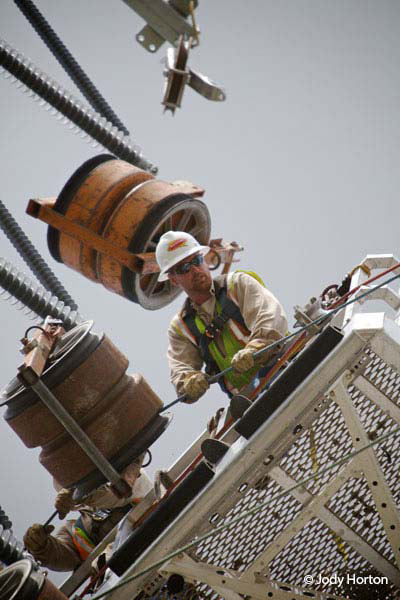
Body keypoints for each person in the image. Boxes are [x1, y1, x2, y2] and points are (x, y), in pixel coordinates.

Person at [156, 231, 288, 402]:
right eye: (184, 268)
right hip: (250, 400)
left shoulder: (238, 284)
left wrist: (256, 347)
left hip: (283, 369)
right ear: (173, 280)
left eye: (196, 260)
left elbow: (270, 317)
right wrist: (189, 383)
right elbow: (181, 371)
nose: (195, 270)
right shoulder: (182, 327)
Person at [23, 462, 152, 572]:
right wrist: (41, 547)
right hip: (118, 577)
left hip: (149, 550)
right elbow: (66, 557)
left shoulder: (133, 476)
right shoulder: (83, 524)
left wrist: (80, 495)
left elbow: (113, 496)